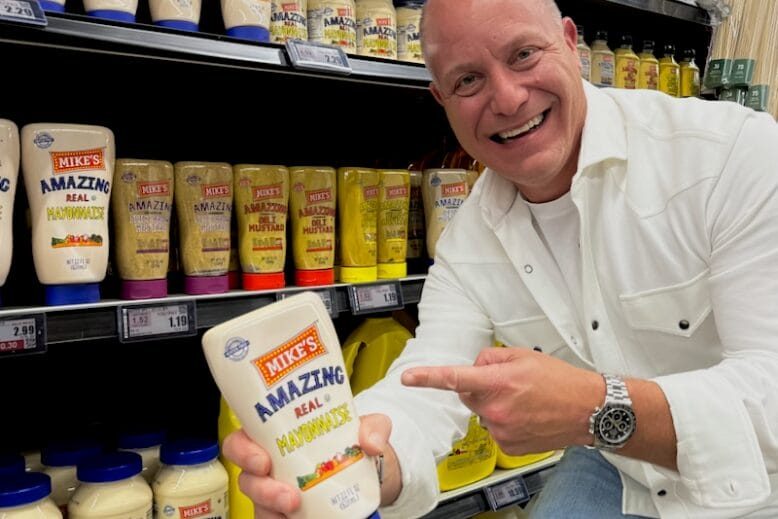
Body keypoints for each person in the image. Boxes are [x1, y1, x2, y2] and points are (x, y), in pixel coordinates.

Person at [223, 0, 778, 517]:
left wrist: (594, 406)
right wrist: (361, 463)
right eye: (468, 80)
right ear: (441, 99)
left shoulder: (731, 156)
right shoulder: (470, 240)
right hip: (617, 464)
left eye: (523, 55)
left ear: (569, 43)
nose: (508, 98)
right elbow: (427, 387)